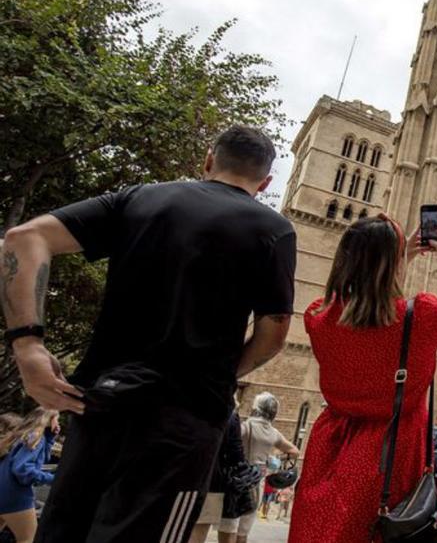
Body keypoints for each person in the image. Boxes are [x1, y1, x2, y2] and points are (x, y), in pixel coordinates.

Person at [0, 126, 296, 541]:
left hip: (98, 404)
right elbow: (275, 331)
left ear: (208, 161)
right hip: (186, 421)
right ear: (265, 183)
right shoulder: (274, 229)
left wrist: (28, 345)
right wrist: (226, 373)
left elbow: (21, 238)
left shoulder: (140, 197)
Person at [287, 216, 437, 543]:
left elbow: (355, 303)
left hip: (331, 450)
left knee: (327, 530)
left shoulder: (318, 318)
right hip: (393, 454)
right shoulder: (419, 317)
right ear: (392, 266)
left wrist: (400, 255)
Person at [219, 392, 300, 543]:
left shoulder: (246, 426)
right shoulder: (274, 433)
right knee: (243, 531)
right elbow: (295, 452)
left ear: (256, 408)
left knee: (230, 527)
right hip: (257, 483)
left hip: (238, 480)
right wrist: (272, 459)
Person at [187, 408, 248, 543]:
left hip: (182, 478)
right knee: (197, 535)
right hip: (211, 483)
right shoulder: (230, 415)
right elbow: (236, 456)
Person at [0, 409, 57, 543]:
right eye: (57, 419)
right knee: (28, 538)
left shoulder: (24, 435)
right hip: (15, 494)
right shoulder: (36, 435)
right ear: (49, 419)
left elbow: (38, 460)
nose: (58, 423)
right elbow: (22, 468)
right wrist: (53, 479)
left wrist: (49, 438)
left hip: (2, 490)